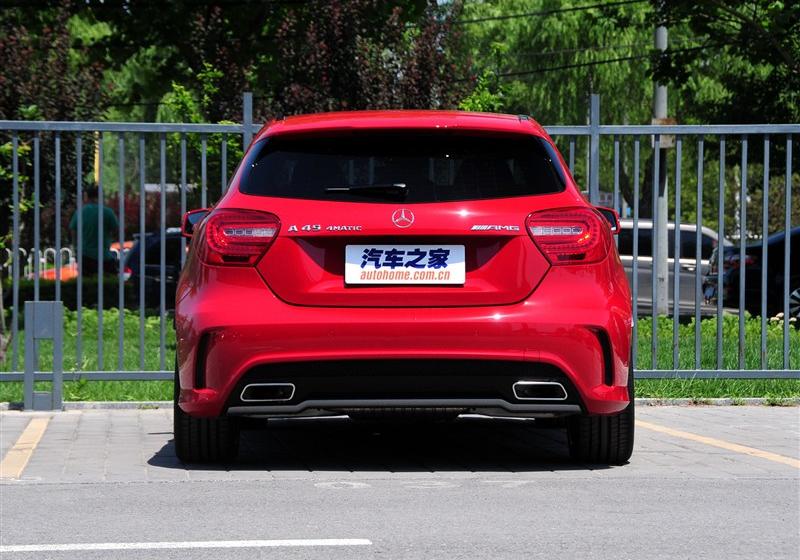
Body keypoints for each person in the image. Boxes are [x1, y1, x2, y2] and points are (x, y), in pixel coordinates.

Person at [69, 184, 119, 275]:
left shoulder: (80, 212)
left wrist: (76, 249)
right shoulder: (108, 212)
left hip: (85, 256)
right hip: (104, 256)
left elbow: (73, 232)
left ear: (86, 196)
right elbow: (116, 230)